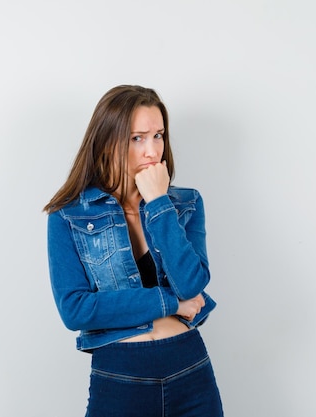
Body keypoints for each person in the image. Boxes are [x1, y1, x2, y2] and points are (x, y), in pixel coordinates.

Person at [44, 85, 223, 416]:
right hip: (121, 377)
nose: (152, 151)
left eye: (158, 136)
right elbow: (76, 310)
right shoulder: (69, 214)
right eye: (137, 138)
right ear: (107, 142)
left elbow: (191, 284)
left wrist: (158, 203)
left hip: (190, 369)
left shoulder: (185, 204)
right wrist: (172, 303)